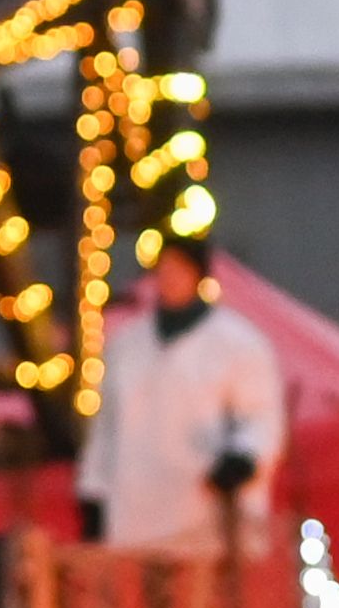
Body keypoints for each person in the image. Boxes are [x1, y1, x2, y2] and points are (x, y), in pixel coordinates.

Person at [80, 233, 287, 550]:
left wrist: (243, 458)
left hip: (204, 517)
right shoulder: (127, 344)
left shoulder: (237, 344)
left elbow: (259, 417)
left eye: (179, 269)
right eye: (163, 269)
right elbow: (106, 426)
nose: (169, 278)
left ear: (198, 276)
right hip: (135, 513)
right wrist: (93, 489)